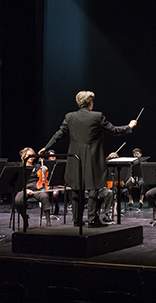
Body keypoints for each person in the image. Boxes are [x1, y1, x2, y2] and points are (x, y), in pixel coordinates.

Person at [40, 90, 137, 227]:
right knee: (94, 188)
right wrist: (129, 126)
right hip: (93, 157)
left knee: (76, 188)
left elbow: (58, 134)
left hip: (75, 158)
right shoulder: (97, 116)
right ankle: (92, 220)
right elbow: (114, 130)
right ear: (90, 103)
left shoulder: (70, 116)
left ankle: (77, 220)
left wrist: (46, 147)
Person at [14, 147, 52, 229]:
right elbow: (18, 183)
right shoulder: (21, 167)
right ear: (24, 156)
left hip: (36, 188)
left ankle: (48, 221)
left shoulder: (37, 166)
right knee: (18, 200)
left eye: (33, 155)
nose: (31, 157)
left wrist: (44, 172)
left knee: (45, 196)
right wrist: (26, 190)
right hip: (24, 188)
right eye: (29, 155)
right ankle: (25, 218)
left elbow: (43, 179)